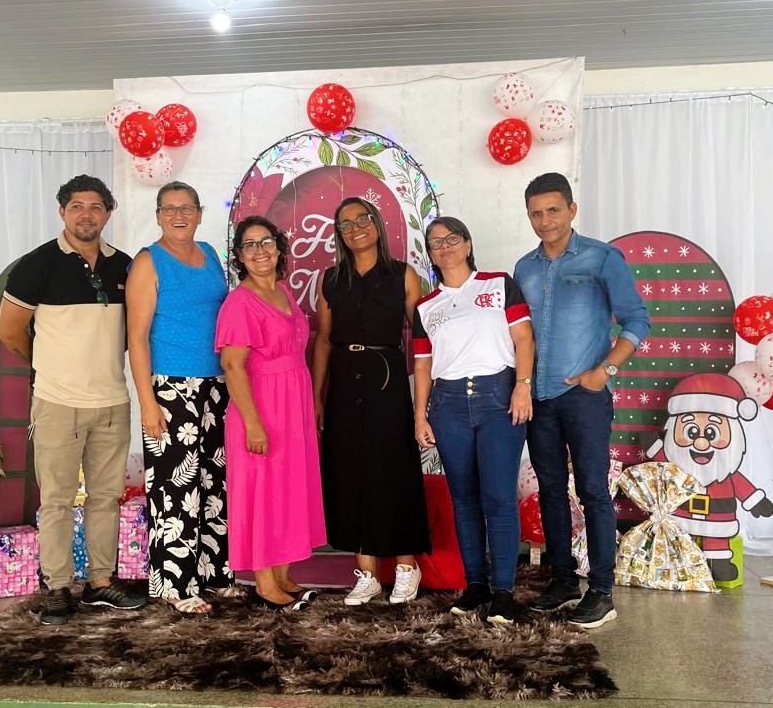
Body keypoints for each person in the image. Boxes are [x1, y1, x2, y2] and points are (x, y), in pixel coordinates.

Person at [0, 174, 146, 625]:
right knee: (57, 501)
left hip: (112, 403)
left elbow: (133, 333)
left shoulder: (124, 267)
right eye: (77, 206)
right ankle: (58, 588)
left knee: (106, 498)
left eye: (96, 206)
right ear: (62, 211)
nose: (86, 214)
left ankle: (100, 582)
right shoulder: (36, 265)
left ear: (108, 213)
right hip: (57, 403)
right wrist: (48, 366)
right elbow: (10, 331)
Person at [513, 172, 651, 629]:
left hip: (584, 397)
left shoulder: (602, 257)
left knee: (592, 490)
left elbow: (637, 320)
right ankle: (563, 580)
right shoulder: (524, 268)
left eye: (553, 210)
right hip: (540, 398)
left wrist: (603, 372)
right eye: (536, 213)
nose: (545, 220)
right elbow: (520, 332)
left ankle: (602, 590)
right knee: (551, 490)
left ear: (572, 210)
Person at [412, 217, 534, 626]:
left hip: (498, 397)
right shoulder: (426, 307)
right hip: (447, 405)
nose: (444, 247)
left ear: (467, 244)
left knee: (498, 497)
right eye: (435, 242)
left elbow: (523, 338)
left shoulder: (498, 284)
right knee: (463, 498)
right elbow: (423, 365)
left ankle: (504, 592)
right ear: (431, 254)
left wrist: (522, 386)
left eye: (451, 239)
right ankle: (476, 585)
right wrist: (420, 414)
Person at [312, 197, 429, 606]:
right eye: (345, 224)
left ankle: (406, 567)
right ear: (338, 234)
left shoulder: (403, 275)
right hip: (344, 380)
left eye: (362, 219)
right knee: (350, 472)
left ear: (377, 223)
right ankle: (367, 573)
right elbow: (323, 341)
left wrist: (423, 395)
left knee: (393, 468)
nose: (355, 228)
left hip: (386, 379)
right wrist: (317, 397)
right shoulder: (330, 280)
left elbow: (422, 340)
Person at [127, 181, 236, 614]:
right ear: (157, 215)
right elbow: (136, 338)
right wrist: (148, 402)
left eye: (187, 207)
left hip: (216, 386)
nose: (179, 215)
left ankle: (214, 575)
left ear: (199, 213)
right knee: (175, 488)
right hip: (171, 388)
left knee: (212, 485)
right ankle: (175, 585)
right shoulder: (148, 262)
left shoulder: (209, 254)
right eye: (169, 208)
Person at [216, 216, 326, 612]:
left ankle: (282, 573)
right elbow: (232, 365)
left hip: (292, 404)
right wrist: (253, 423)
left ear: (278, 248)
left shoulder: (283, 292)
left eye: (265, 242)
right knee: (262, 492)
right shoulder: (240, 302)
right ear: (240, 255)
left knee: (287, 489)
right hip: (261, 406)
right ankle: (264, 583)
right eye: (249, 244)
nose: (259, 250)